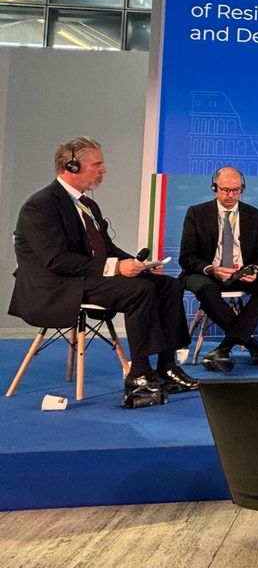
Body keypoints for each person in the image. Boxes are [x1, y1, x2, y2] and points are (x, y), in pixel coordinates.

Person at [8, 137, 196, 408]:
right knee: (139, 291)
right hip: (59, 284)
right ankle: (139, 373)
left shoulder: (88, 205)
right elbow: (57, 260)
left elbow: (106, 249)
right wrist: (116, 268)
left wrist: (136, 263)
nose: (103, 170)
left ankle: (167, 367)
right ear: (71, 167)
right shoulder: (41, 205)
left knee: (168, 285)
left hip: (88, 277)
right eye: (97, 164)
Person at [178, 166, 258, 373]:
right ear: (214, 188)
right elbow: (186, 257)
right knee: (205, 288)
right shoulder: (196, 213)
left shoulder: (254, 215)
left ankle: (224, 347)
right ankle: (250, 343)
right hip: (205, 273)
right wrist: (211, 269)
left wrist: (253, 269)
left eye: (236, 190)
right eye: (225, 190)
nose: (230, 195)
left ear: (242, 189)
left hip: (239, 272)